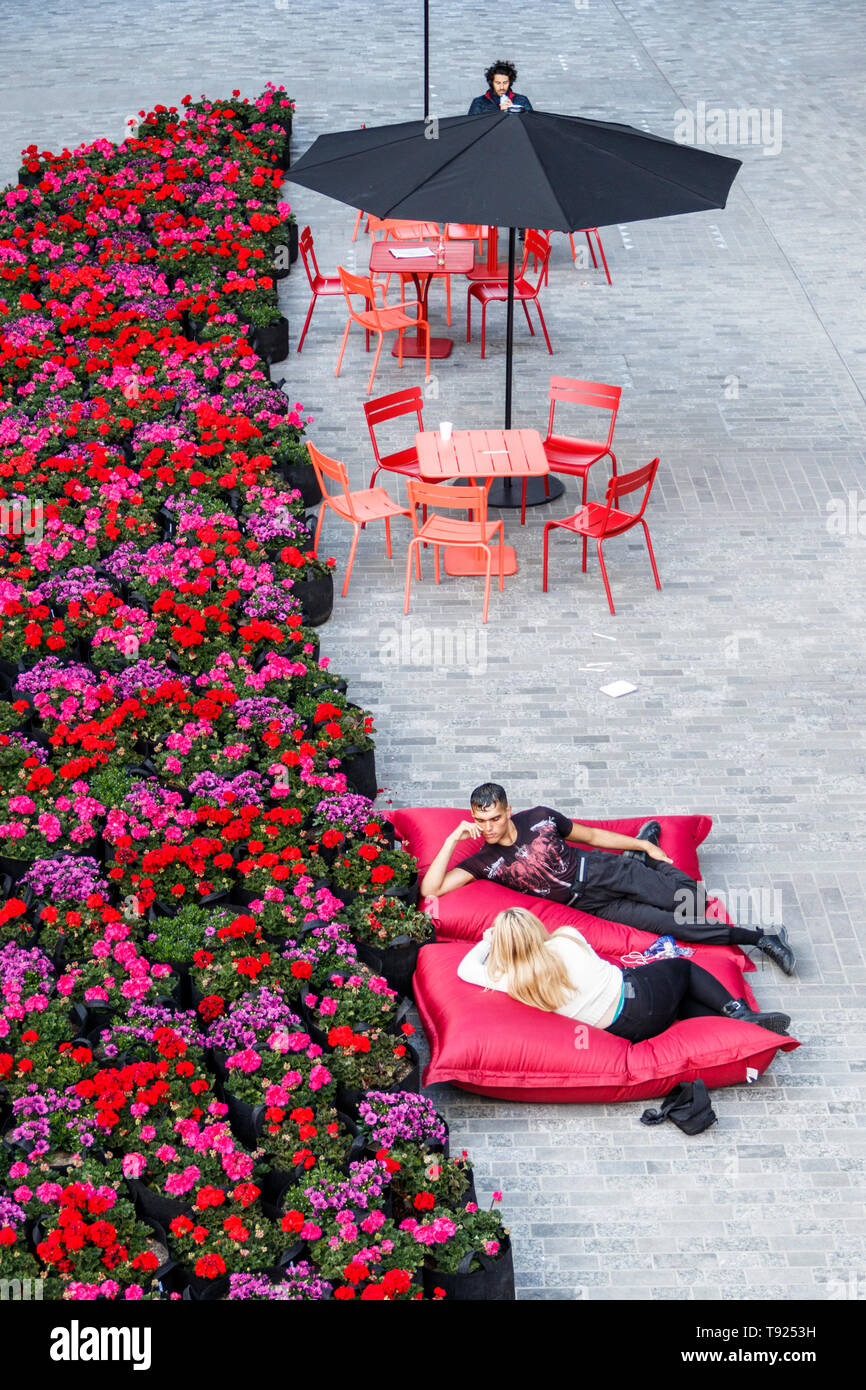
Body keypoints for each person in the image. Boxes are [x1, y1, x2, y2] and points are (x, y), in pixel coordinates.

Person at [420, 783, 796, 974]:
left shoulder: (538, 817)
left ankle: (645, 858)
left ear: (508, 811)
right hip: (596, 905)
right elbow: (431, 888)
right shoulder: (484, 862)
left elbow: (593, 837)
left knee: (693, 901)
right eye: (481, 820)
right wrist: (453, 839)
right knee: (678, 925)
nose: (488, 828)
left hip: (604, 870)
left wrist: (644, 847)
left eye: (495, 818)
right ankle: (762, 938)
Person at [457, 906, 792, 1041]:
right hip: (639, 997)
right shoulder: (566, 939)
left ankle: (741, 1031)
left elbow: (465, 968)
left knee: (678, 1002)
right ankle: (740, 1012)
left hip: (626, 1031)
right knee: (682, 968)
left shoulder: (511, 981)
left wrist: (488, 940)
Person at [467, 61, 533, 116]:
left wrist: (513, 112)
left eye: (505, 83)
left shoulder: (521, 100)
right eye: (498, 83)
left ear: (510, 82)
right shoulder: (479, 103)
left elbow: (529, 123)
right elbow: (473, 126)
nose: (502, 87)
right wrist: (500, 113)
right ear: (492, 83)